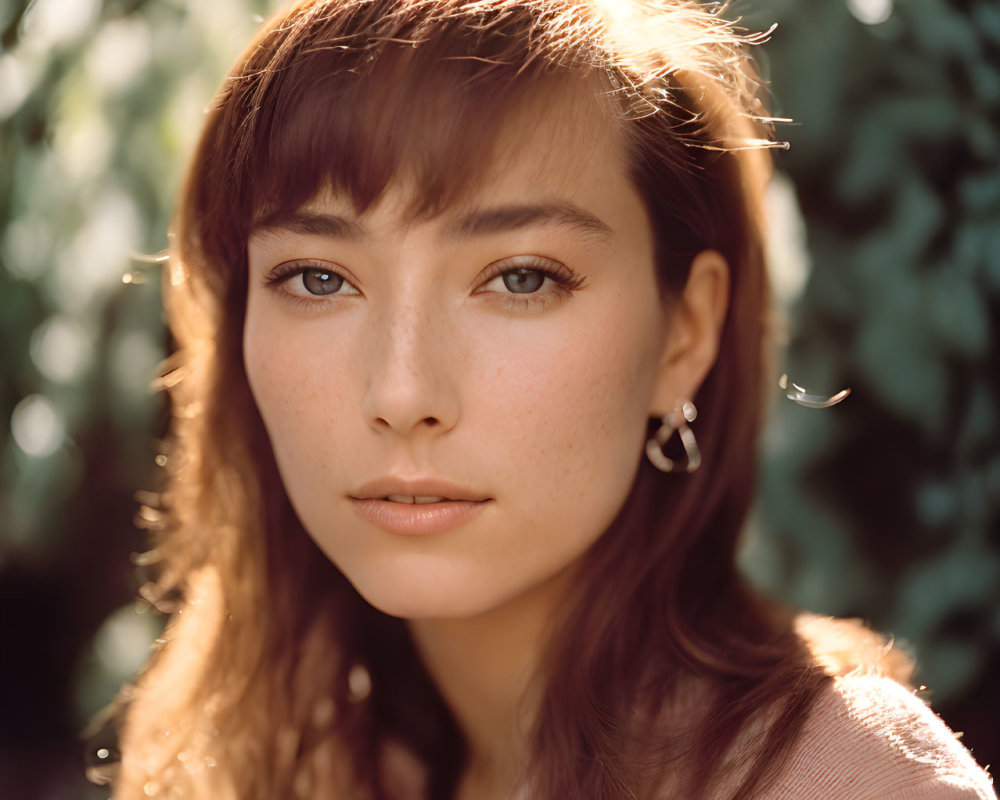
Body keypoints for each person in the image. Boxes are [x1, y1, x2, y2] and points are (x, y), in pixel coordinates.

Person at [102, 0, 997, 798]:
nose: (403, 393)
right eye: (318, 277)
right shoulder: (265, 763)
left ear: (683, 336)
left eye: (521, 277)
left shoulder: (847, 783)